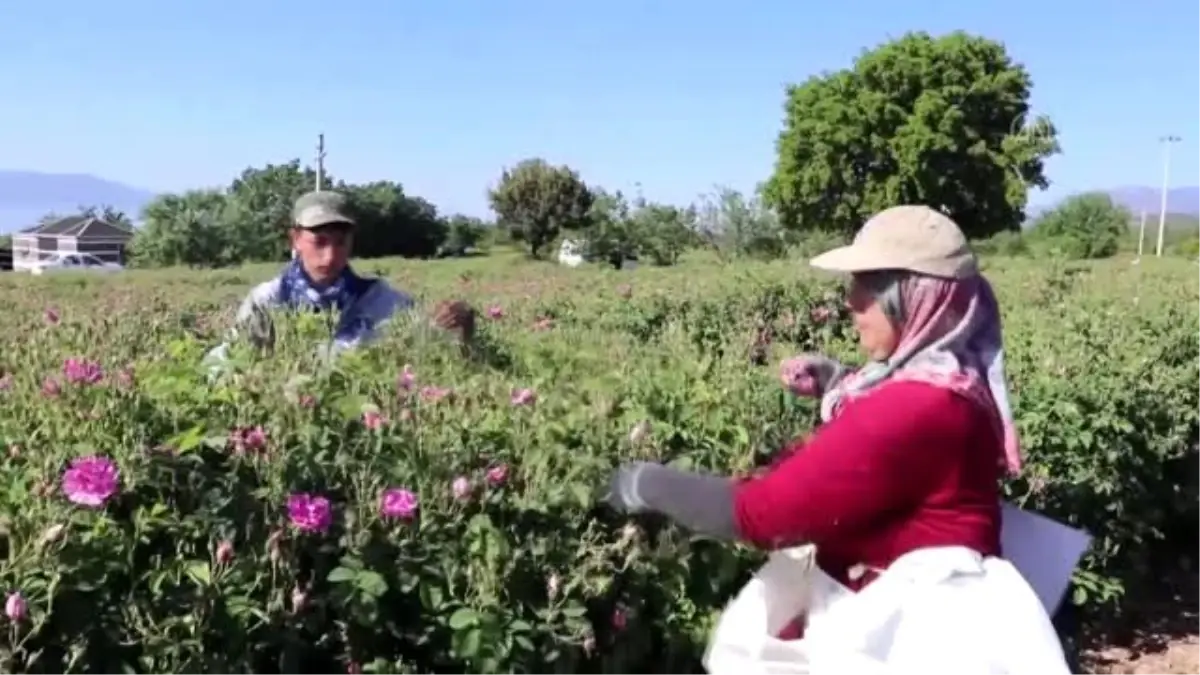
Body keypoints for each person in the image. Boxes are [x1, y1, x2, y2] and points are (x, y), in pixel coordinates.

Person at [603, 205, 1073, 673]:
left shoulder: (916, 407)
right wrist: (837, 382)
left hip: (909, 637)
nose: (850, 302)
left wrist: (645, 483)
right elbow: (895, 451)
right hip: (944, 620)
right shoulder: (955, 378)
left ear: (909, 297)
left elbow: (764, 514)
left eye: (864, 287)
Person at [206, 190, 476, 364]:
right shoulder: (269, 301)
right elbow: (229, 361)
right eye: (319, 241)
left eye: (340, 242)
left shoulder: (382, 301)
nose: (330, 256)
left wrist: (454, 329)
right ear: (296, 239)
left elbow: (425, 356)